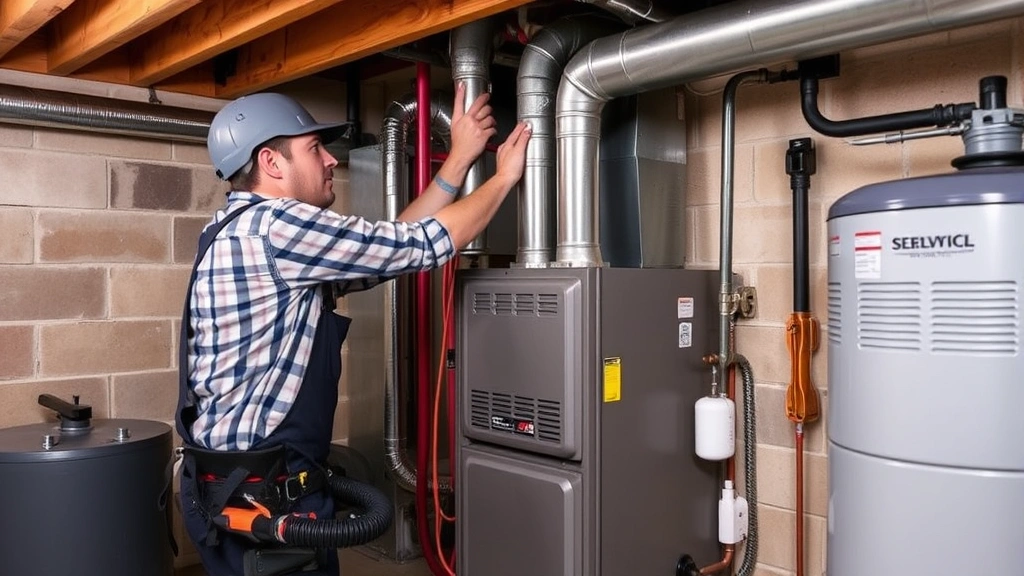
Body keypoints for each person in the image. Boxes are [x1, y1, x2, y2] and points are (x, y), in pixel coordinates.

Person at [175, 82, 530, 576]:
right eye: (314, 148)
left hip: (238, 486)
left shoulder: (235, 229)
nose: (330, 160)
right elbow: (426, 243)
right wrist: (505, 177)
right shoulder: (278, 227)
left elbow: (393, 247)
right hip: (266, 500)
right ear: (271, 162)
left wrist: (458, 161)